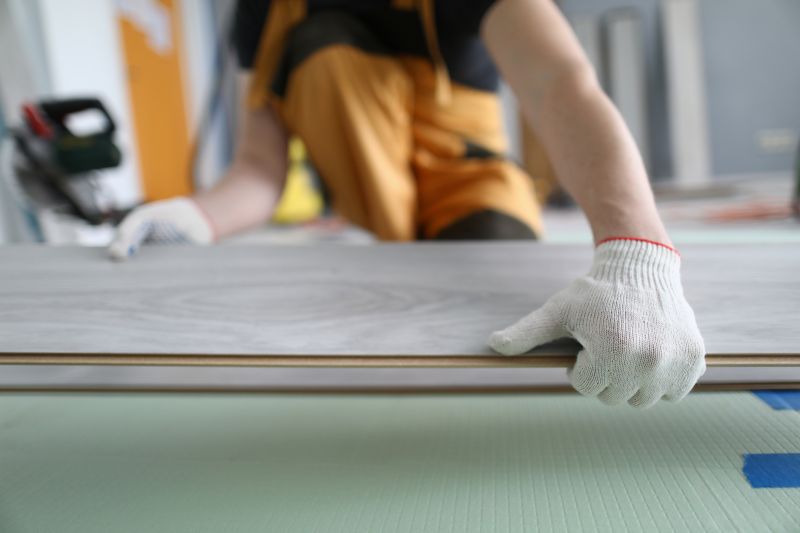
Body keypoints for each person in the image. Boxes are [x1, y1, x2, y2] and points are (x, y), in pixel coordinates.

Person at [109, 0, 706, 408]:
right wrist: (195, 218)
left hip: (474, 182)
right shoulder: (265, 11)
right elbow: (259, 170)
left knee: (509, 338)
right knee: (322, 43)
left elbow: (560, 82)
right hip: (370, 199)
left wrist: (637, 252)